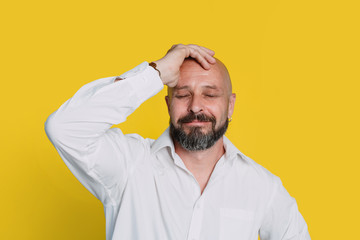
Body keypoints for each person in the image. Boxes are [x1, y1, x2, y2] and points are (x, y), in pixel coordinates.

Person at [44, 44, 310, 240]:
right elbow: (64, 128)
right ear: (168, 104)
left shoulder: (263, 187)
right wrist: (155, 73)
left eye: (210, 94)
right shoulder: (129, 165)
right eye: (183, 95)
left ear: (230, 106)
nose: (196, 107)